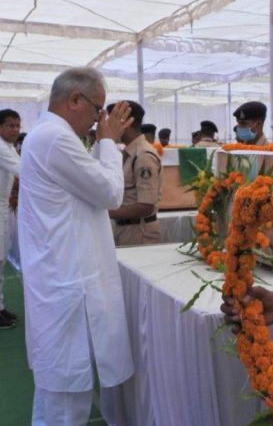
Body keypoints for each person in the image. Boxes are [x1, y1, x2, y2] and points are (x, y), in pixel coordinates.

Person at [19, 67, 135, 425]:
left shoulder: (48, 134)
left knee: (57, 398)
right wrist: (108, 141)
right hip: (65, 287)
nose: (99, 119)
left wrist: (102, 141)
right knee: (66, 402)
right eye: (98, 110)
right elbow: (110, 193)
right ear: (74, 100)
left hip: (60, 280)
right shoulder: (55, 138)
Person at [107, 101, 162, 246]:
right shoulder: (129, 153)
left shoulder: (143, 155)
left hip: (139, 232)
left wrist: (105, 213)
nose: (107, 126)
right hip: (126, 230)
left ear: (126, 122)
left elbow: (146, 206)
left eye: (111, 120)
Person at [0, 109, 20, 329]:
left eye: (17, 125)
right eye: (10, 125)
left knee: (1, 260)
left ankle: (0, 306)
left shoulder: (9, 148)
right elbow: (25, 171)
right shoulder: (1, 147)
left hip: (4, 208)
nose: (15, 129)